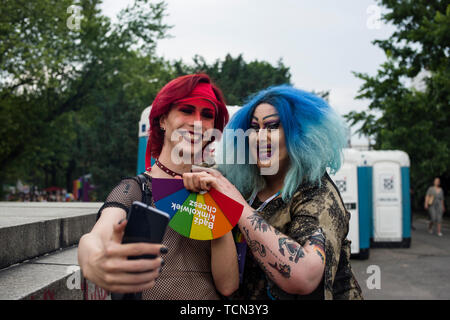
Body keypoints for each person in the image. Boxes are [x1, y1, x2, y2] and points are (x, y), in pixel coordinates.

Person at [182, 85, 363, 299]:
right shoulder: (244, 182)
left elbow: (305, 277)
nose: (260, 137)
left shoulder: (318, 194)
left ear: (300, 134)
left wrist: (237, 205)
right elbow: (186, 172)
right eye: (253, 128)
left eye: (272, 126)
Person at [77, 73, 239, 299]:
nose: (197, 122)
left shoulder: (216, 190)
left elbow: (228, 285)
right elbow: (97, 236)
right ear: (163, 120)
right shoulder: (136, 189)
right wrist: (93, 260)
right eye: (186, 110)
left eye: (207, 114)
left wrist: (214, 206)